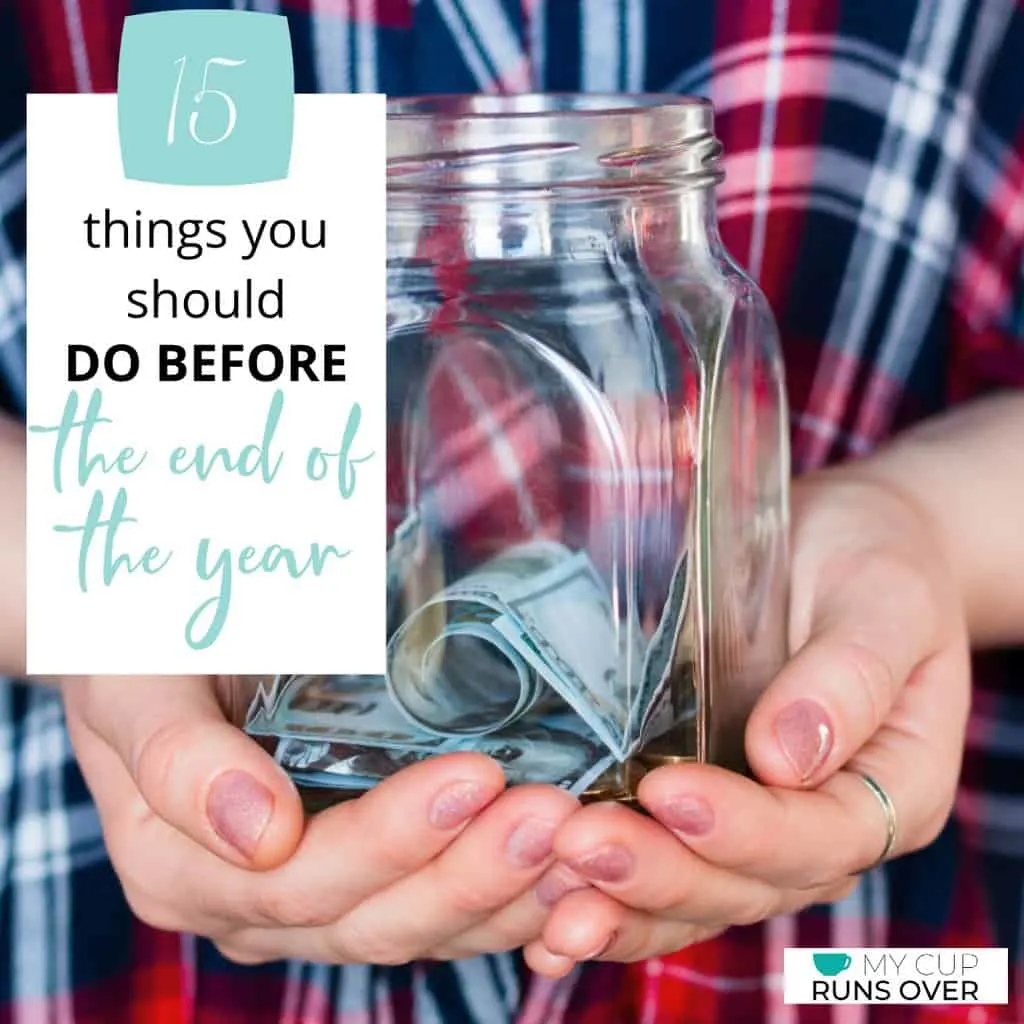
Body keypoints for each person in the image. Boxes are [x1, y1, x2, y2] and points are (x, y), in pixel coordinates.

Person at [1, 3, 1022, 1023]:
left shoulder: (690, 294)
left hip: (866, 965)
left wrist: (923, 528)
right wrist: (87, 589)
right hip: (126, 921)